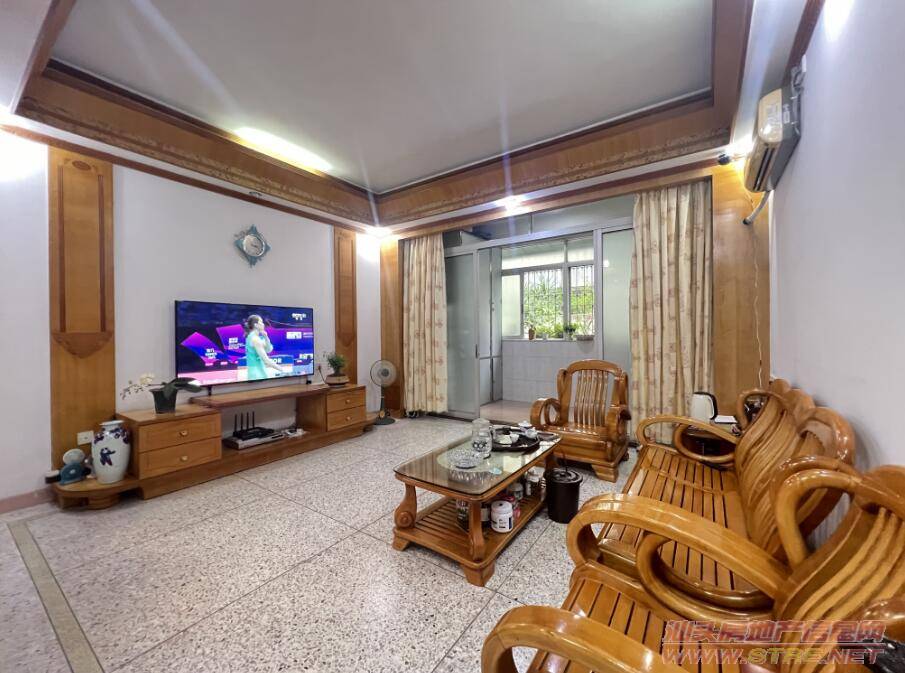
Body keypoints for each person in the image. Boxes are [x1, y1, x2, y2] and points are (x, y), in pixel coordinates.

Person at [243, 315, 284, 380]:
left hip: (259, 373)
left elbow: (269, 350)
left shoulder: (257, 337)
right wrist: (282, 370)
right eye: (261, 322)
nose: (263, 324)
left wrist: (266, 337)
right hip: (257, 375)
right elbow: (266, 360)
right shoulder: (255, 339)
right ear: (256, 325)